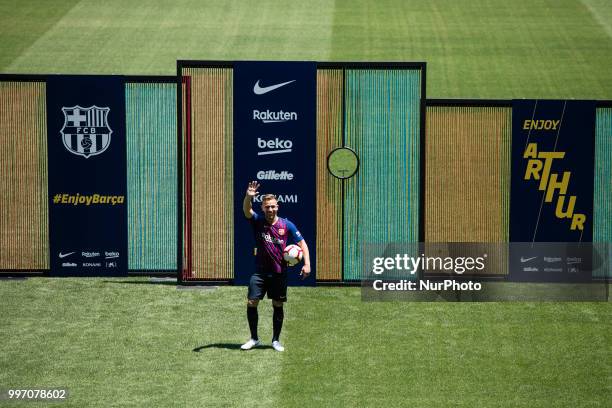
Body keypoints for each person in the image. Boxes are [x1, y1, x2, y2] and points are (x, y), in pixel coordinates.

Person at [240, 181, 311, 352]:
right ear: (263, 208)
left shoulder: (287, 225)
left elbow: (302, 243)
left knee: (278, 305)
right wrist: (248, 197)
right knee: (252, 302)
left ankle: (275, 340)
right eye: (267, 207)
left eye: (273, 206)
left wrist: (307, 264)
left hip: (279, 273)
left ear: (277, 207)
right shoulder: (257, 221)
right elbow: (246, 210)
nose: (270, 210)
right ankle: (254, 338)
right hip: (259, 273)